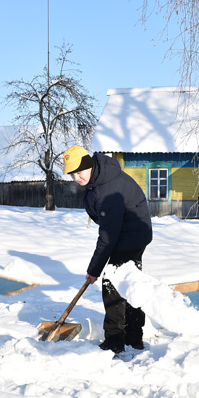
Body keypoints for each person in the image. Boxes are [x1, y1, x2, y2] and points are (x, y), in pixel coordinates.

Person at [63, 146, 153, 354]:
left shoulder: (107, 189)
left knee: (112, 286)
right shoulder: (97, 179)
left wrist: (94, 269)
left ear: (89, 165)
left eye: (79, 172)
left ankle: (115, 341)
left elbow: (108, 236)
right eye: (72, 174)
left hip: (130, 236)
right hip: (128, 233)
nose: (76, 177)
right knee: (129, 283)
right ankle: (133, 337)